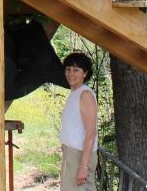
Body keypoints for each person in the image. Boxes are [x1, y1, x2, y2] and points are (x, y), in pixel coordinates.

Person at [60, 52, 98, 191]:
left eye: (76, 70)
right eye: (68, 69)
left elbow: (91, 133)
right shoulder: (75, 94)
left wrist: (83, 167)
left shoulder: (85, 94)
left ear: (85, 73)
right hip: (72, 154)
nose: (71, 73)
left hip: (80, 155)